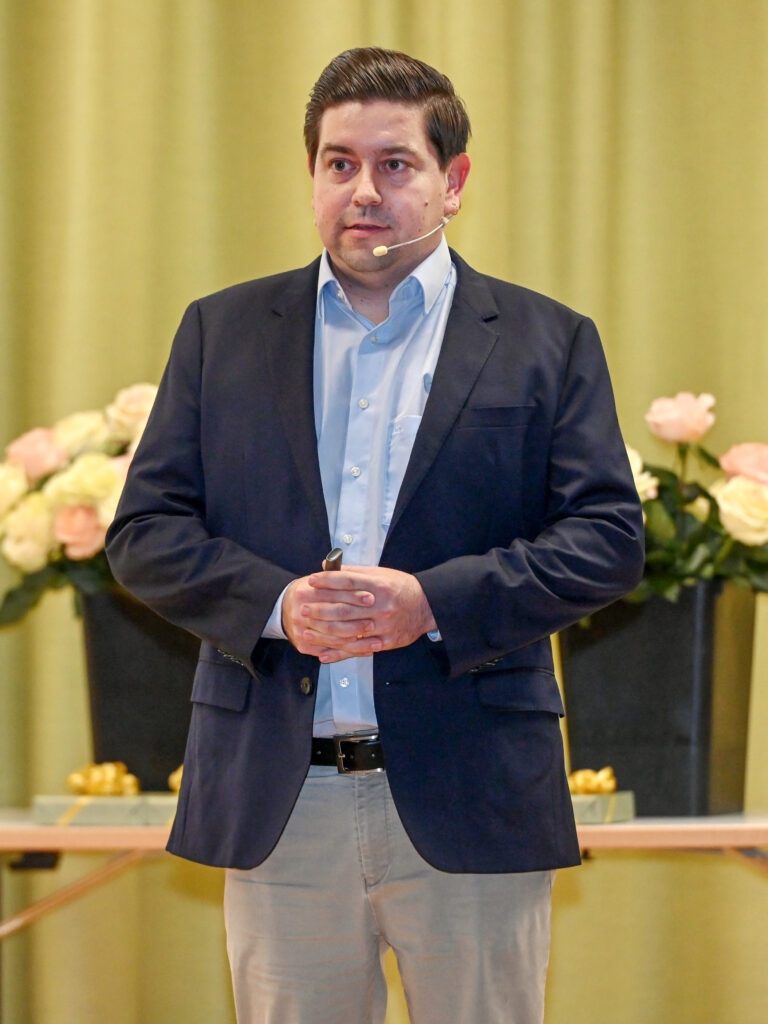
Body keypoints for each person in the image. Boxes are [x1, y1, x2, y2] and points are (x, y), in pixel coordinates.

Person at [106, 46, 644, 1024]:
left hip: (473, 792)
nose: (364, 190)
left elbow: (608, 537)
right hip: (280, 800)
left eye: (396, 164)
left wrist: (432, 602)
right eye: (339, 163)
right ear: (312, 175)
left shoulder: (546, 339)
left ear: (453, 181)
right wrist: (276, 606)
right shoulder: (223, 332)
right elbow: (144, 530)